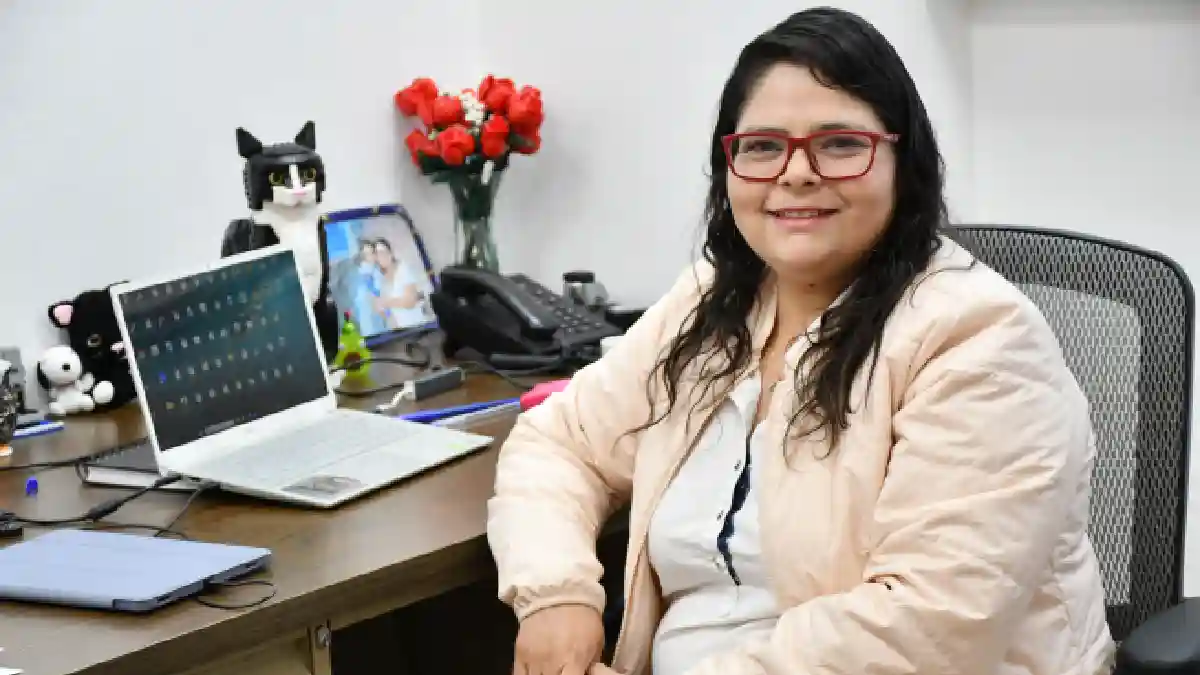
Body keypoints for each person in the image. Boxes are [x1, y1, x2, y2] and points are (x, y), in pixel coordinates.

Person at [486, 7, 1114, 675]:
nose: (796, 172)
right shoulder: (713, 302)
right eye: (762, 146)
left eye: (840, 143)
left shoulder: (981, 340)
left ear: (903, 163)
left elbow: (924, 627)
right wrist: (556, 595)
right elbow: (560, 443)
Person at [370, 238, 431, 329]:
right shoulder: (381, 280)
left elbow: (410, 301)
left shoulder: (403, 269)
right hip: (402, 329)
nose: (381, 257)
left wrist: (386, 302)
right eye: (377, 254)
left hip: (419, 325)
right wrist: (380, 309)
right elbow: (387, 314)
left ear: (390, 253)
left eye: (382, 252)